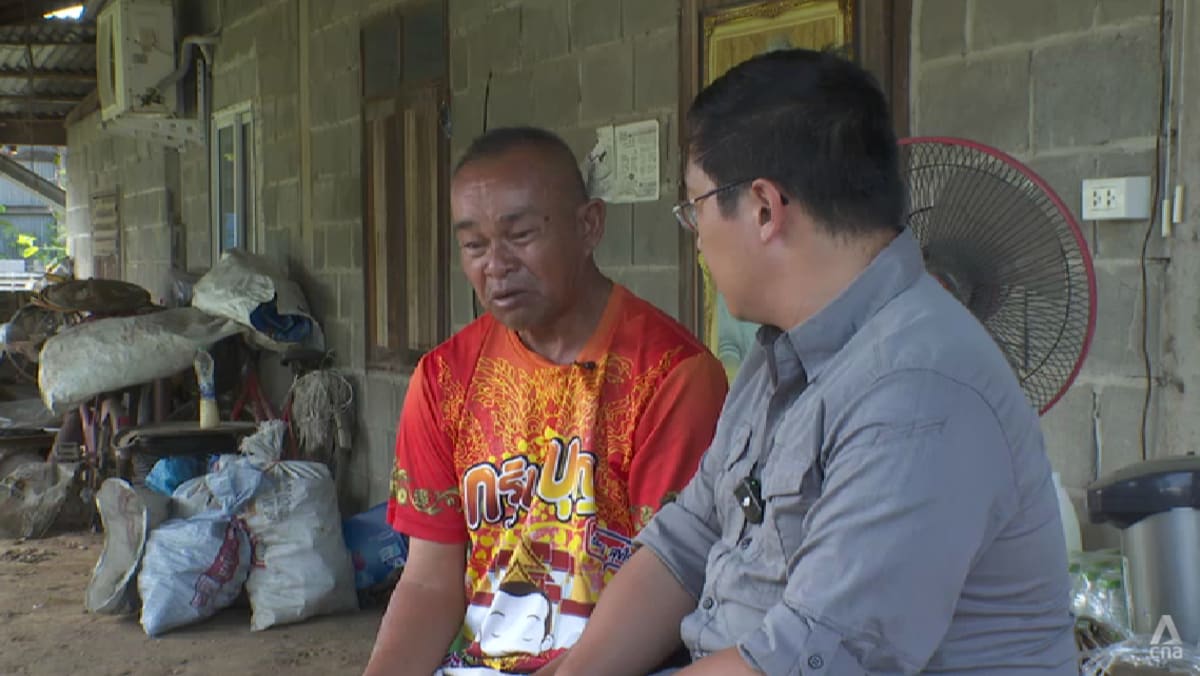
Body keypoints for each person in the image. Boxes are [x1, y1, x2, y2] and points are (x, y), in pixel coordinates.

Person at [548, 49, 1078, 675]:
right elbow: (686, 540)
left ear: (765, 209)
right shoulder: (782, 355)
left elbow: (805, 660)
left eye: (695, 207)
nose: (694, 234)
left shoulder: (919, 390)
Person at [363, 127, 729, 676]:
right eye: (474, 245)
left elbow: (673, 578)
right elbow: (427, 582)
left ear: (589, 226)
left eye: (521, 234)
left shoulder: (671, 377)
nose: (496, 264)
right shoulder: (444, 380)